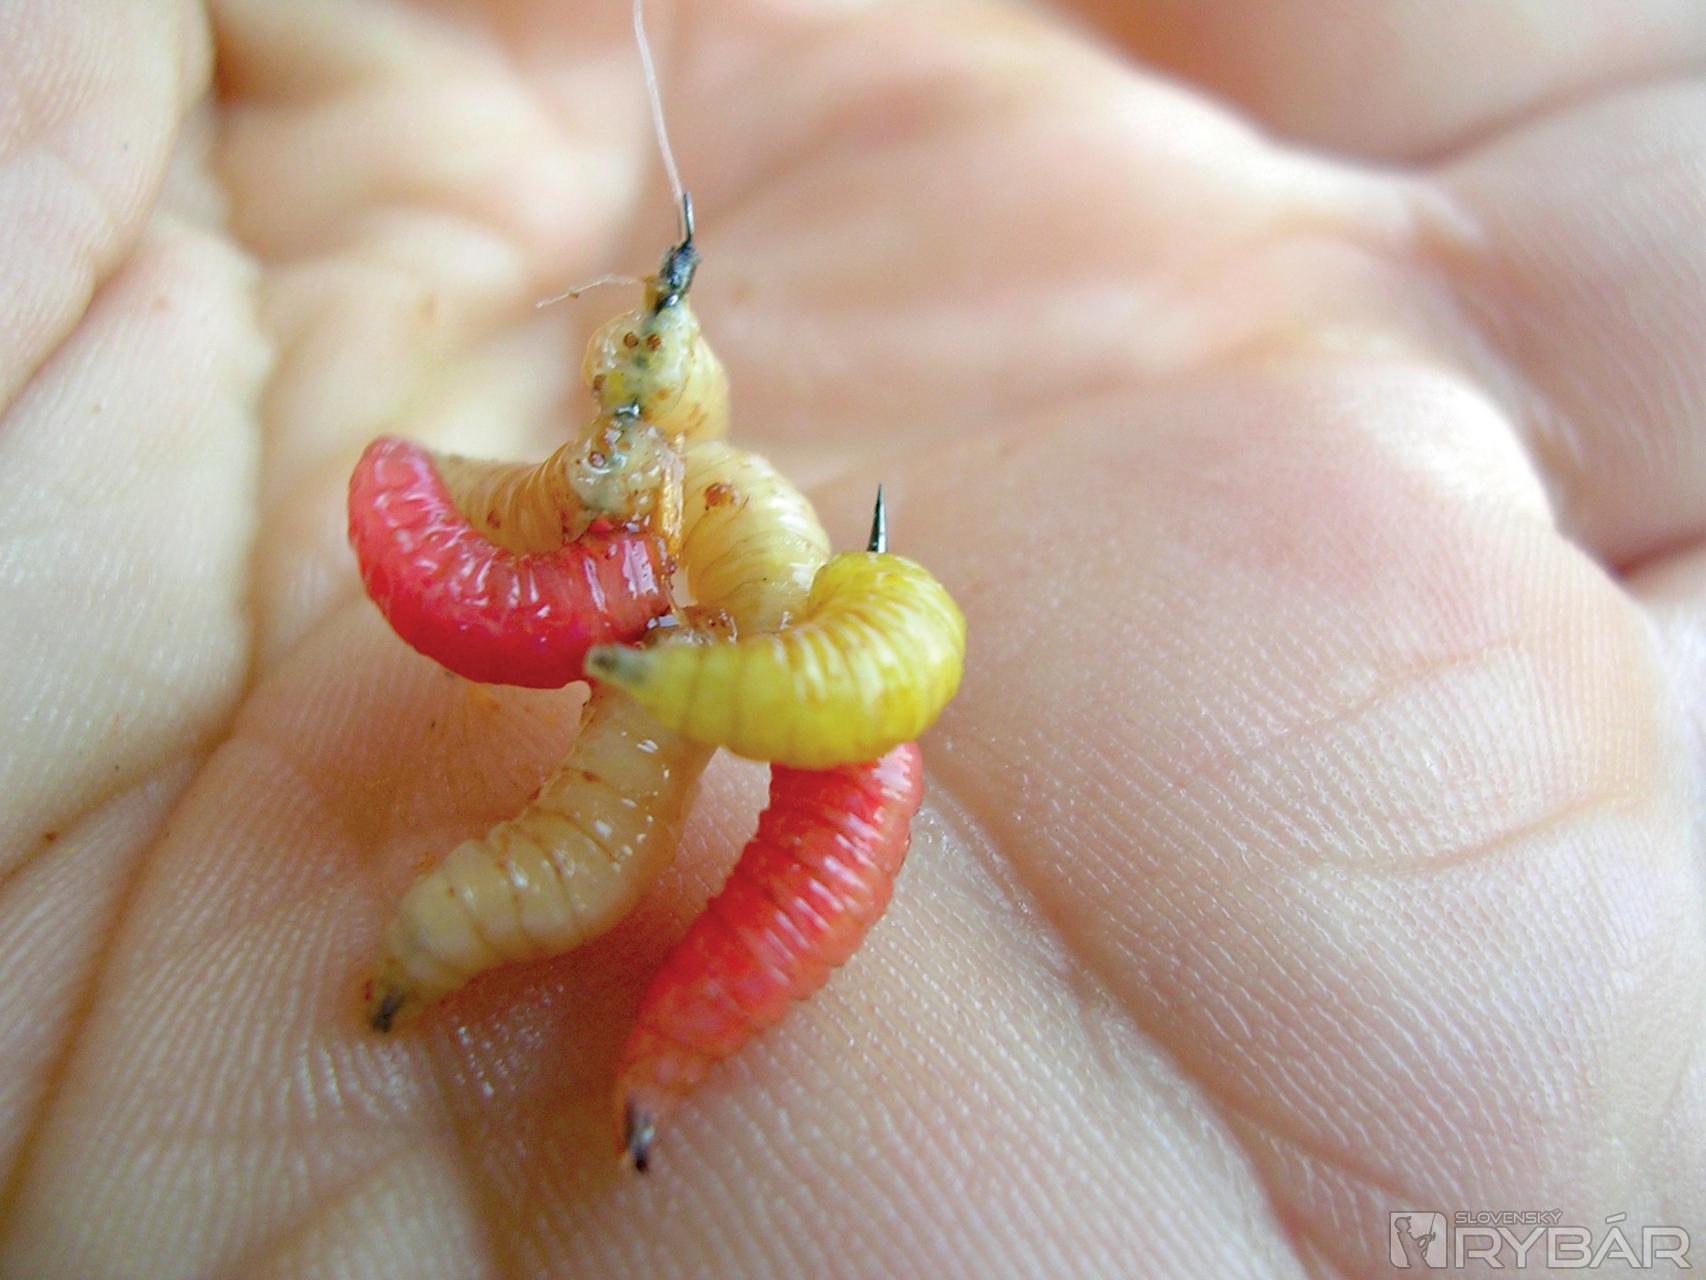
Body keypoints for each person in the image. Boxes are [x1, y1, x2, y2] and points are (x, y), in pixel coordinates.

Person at [0, 1, 1701, 1275]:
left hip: (707, 650)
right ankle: (477, 955)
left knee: (619, 842)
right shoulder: (669, 519)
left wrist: (661, 650)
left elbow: (711, 662)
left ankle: (556, 994)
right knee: (585, 836)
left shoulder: (729, 570)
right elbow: (514, 559)